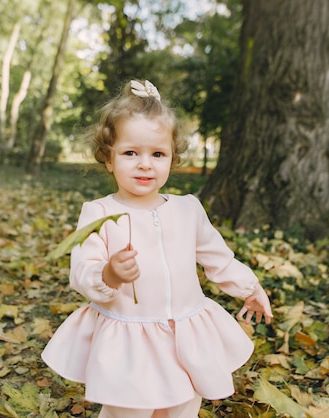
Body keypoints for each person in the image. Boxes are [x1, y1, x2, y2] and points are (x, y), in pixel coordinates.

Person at [42, 79, 273, 418]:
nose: (145, 164)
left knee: (182, 405)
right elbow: (82, 271)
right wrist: (109, 273)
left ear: (172, 158)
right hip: (129, 336)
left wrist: (249, 288)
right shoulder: (100, 212)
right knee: (129, 409)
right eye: (130, 152)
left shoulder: (187, 208)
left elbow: (218, 259)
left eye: (158, 154)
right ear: (109, 158)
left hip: (185, 333)